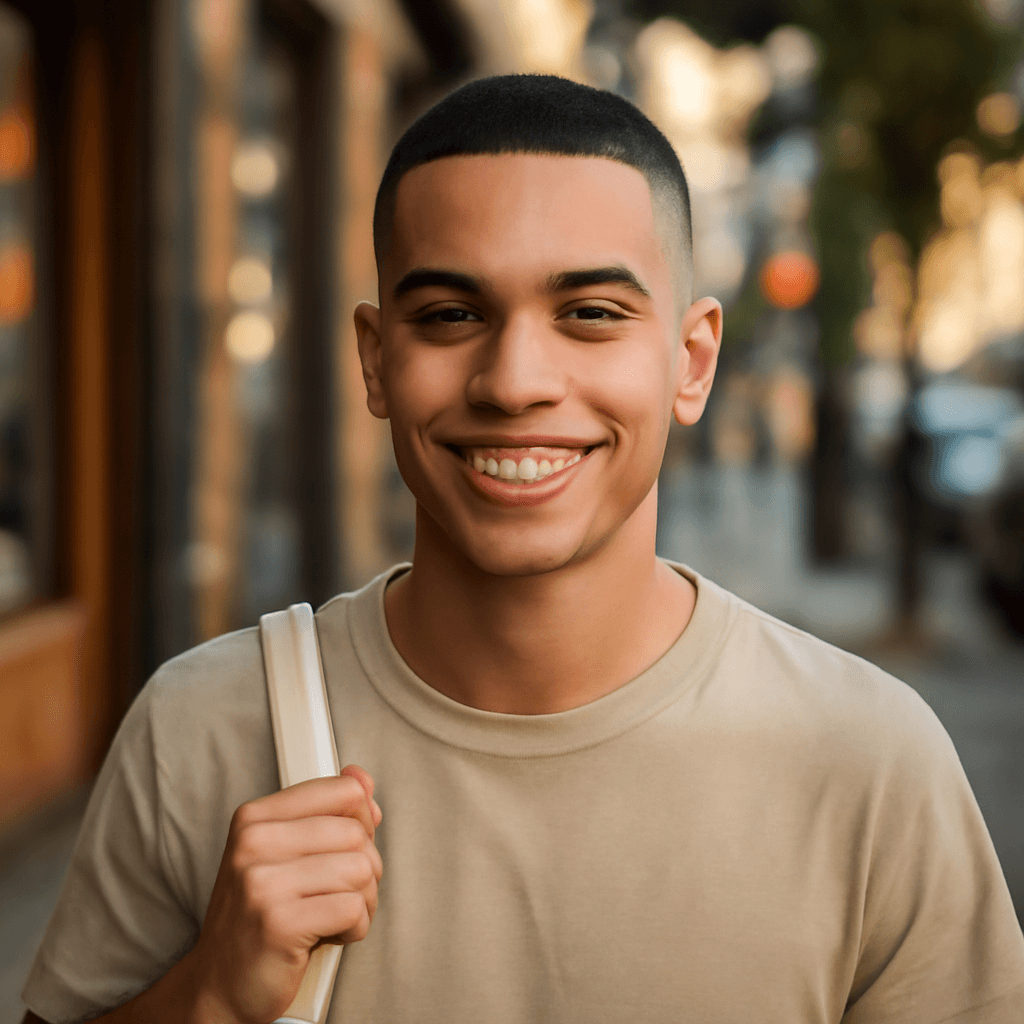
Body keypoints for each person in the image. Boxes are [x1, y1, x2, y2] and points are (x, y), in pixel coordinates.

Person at [20, 74, 1024, 1024]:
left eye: (589, 314)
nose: (513, 380)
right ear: (376, 360)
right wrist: (205, 996)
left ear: (691, 359)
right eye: (452, 315)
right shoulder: (198, 730)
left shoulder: (869, 758)